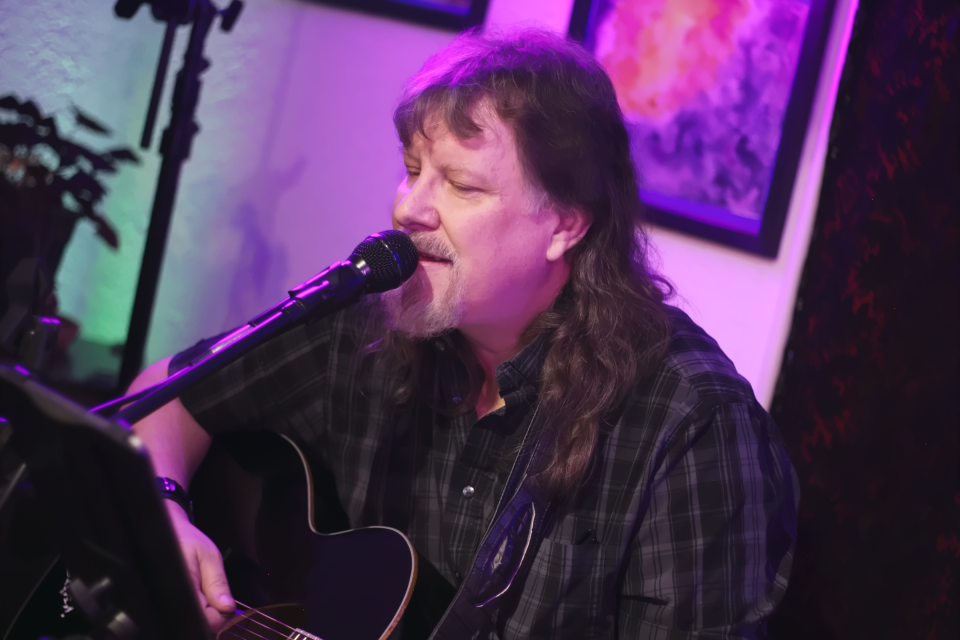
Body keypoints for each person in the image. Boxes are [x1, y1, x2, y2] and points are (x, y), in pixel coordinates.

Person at [129, 28, 799, 639]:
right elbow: (164, 393)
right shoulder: (366, 319)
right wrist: (163, 508)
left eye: (460, 185)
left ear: (566, 224)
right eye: (413, 169)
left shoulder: (691, 424)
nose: (408, 208)